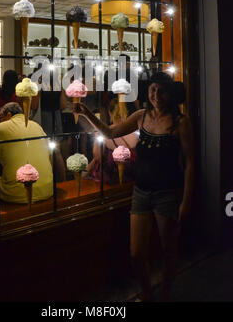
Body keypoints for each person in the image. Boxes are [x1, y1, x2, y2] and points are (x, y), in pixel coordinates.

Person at [73, 72, 194, 302]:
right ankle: (148, 293)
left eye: (161, 90)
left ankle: (166, 292)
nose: (156, 95)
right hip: (141, 192)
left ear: (169, 94)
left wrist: (186, 200)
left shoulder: (181, 123)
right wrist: (86, 113)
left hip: (168, 194)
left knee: (168, 249)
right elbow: (110, 133)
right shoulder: (141, 116)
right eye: (152, 89)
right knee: (137, 253)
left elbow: (189, 164)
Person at [0, 102, 53, 203]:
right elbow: (51, 156)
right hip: (47, 189)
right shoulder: (37, 126)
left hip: (15, 195)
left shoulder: (0, 128)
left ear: (9, 115)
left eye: (1, 118)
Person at [84, 99, 138, 184]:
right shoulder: (136, 132)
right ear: (126, 112)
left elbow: (97, 157)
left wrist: (96, 137)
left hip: (113, 178)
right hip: (133, 176)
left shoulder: (104, 133)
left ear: (109, 112)